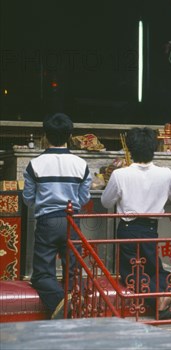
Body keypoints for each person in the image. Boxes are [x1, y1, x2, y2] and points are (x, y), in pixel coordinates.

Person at [101, 127, 171, 320]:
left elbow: (105, 202)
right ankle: (165, 293)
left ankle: (158, 299)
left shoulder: (120, 175)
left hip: (128, 228)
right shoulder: (165, 173)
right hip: (151, 228)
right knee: (153, 268)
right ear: (154, 148)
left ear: (130, 148)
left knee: (129, 271)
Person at [23, 113, 92, 319]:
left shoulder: (34, 164)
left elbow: (28, 198)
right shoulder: (81, 164)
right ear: (69, 136)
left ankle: (59, 304)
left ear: (45, 136)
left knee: (43, 273)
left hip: (47, 221)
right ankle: (75, 305)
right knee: (73, 271)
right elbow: (84, 196)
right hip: (73, 221)